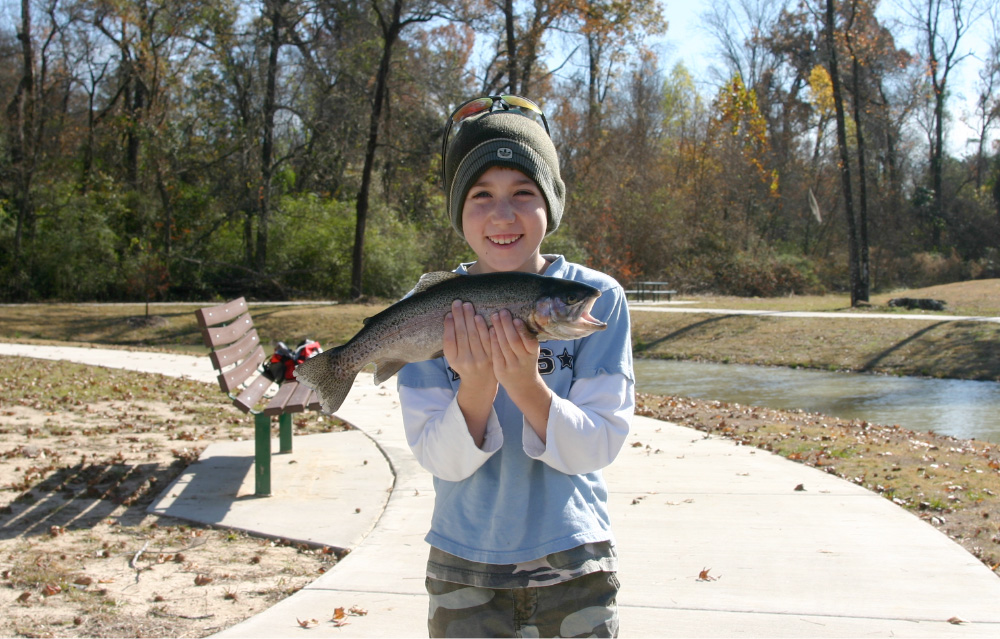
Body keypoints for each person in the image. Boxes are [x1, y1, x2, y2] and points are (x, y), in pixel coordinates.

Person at [397, 95, 634, 638]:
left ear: (551, 203)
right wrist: (476, 386)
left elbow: (597, 447)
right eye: (481, 195)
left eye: (524, 193)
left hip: (576, 561)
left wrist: (527, 387)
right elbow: (440, 459)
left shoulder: (599, 297)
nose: (503, 214)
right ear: (458, 210)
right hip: (464, 564)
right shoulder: (426, 306)